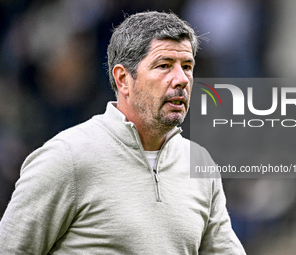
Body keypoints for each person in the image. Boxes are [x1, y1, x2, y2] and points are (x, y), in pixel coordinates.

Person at [0, 11, 246, 254]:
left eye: (187, 66)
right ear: (123, 79)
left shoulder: (200, 164)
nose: (181, 79)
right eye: (164, 66)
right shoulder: (66, 157)